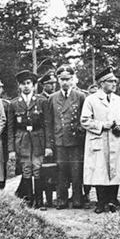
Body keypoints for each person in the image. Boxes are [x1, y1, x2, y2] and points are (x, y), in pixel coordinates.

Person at [81, 66, 120, 214]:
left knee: (115, 169)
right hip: (99, 140)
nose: (114, 84)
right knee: (100, 171)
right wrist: (102, 125)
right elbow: (85, 120)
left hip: (115, 139)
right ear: (102, 83)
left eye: (115, 81)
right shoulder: (91, 100)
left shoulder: (118, 100)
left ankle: (112, 199)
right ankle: (100, 201)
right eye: (111, 81)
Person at [8, 70, 53, 208]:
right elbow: (10, 128)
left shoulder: (42, 101)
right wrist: (11, 149)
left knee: (37, 168)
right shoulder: (14, 104)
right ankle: (27, 201)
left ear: (34, 86)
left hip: (38, 140)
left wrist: (49, 146)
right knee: (26, 169)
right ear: (19, 86)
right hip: (22, 141)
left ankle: (39, 200)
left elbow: (48, 125)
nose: (26, 86)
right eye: (23, 84)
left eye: (29, 83)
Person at [47, 64, 86, 209]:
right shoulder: (52, 98)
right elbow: (49, 122)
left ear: (72, 80)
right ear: (58, 80)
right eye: (62, 79)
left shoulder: (80, 96)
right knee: (61, 171)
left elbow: (85, 118)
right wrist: (50, 144)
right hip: (60, 140)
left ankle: (77, 199)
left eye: (67, 79)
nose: (64, 82)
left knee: (76, 171)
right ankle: (61, 199)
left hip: (75, 141)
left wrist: (79, 130)